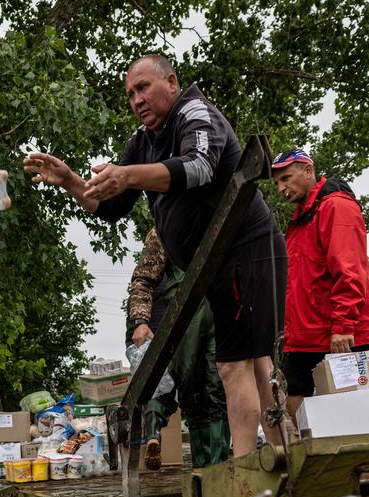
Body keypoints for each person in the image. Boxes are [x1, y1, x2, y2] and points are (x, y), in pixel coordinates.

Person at [24, 54, 285, 458]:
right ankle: (283, 455)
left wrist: (127, 174)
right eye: (130, 94)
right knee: (252, 364)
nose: (137, 99)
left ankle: (245, 469)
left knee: (239, 365)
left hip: (246, 249)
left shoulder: (195, 113)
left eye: (143, 87)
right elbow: (108, 208)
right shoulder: (143, 142)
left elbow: (200, 167)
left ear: (172, 82)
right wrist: (71, 181)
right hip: (214, 264)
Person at [270, 148, 369, 418]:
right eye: (276, 183)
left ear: (308, 171)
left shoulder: (336, 206)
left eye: (286, 178)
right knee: (290, 403)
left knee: (350, 414)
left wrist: (343, 325)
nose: (281, 188)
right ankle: (299, 458)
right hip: (308, 335)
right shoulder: (302, 216)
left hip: (339, 335)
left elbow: (349, 270)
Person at [125, 229, 230, 469]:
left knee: (218, 387)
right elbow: (143, 279)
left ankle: (219, 470)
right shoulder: (164, 227)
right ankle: (205, 472)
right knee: (190, 389)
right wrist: (140, 321)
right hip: (183, 313)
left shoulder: (223, 209)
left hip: (222, 304)